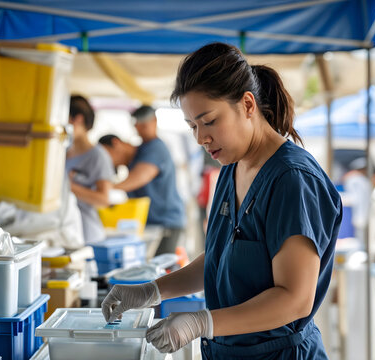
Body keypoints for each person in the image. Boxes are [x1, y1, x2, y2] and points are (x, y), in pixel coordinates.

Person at [101, 42, 342, 359]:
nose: (200, 138)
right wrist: (153, 290)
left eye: (209, 121)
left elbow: (294, 299)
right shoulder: (233, 166)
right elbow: (222, 258)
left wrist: (202, 322)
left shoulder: (291, 180)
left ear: (247, 105)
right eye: (193, 126)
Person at [99, 122, 186, 255]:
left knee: (163, 270)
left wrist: (104, 188)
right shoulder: (130, 163)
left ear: (116, 143)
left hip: (167, 223)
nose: (107, 162)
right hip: (150, 225)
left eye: (106, 156)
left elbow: (140, 177)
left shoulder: (153, 148)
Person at [66, 95, 114, 244]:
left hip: (87, 236)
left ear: (78, 119)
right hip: (66, 233)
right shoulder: (62, 151)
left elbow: (103, 199)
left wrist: (67, 186)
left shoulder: (98, 156)